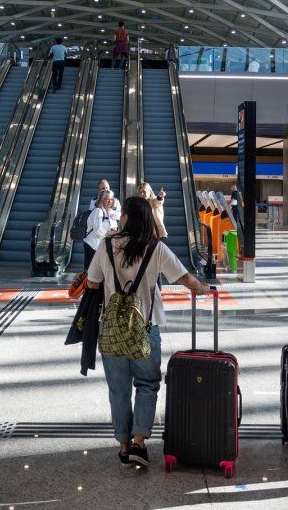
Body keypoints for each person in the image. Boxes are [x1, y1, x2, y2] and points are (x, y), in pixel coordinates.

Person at [86, 196, 208, 468]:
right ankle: (139, 442)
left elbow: (92, 283)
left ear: (126, 217)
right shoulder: (156, 249)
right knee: (147, 385)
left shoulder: (106, 246)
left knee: (118, 390)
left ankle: (123, 446)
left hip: (112, 329)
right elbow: (186, 279)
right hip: (145, 328)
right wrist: (203, 288)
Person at [84, 189, 119, 270]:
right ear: (102, 200)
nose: (110, 201)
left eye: (111, 199)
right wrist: (111, 233)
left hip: (101, 246)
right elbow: (98, 230)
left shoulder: (109, 212)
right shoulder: (98, 211)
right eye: (107, 199)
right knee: (89, 271)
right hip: (92, 245)